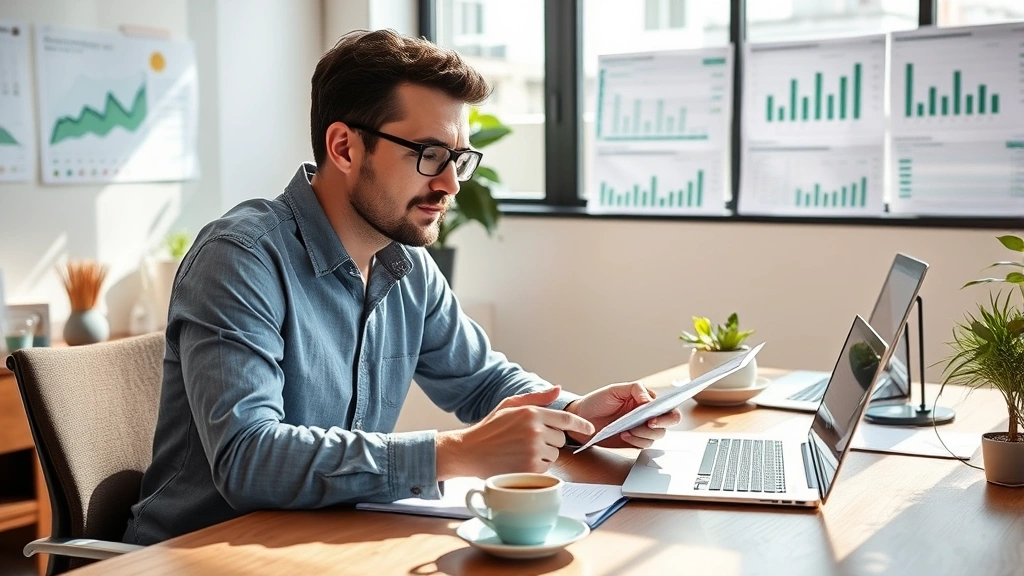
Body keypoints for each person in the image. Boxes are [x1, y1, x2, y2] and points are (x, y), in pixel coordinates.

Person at [124, 29, 681, 545]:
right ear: (344, 148)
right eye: (430, 155)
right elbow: (248, 458)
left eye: (458, 158)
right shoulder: (242, 258)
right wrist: (453, 453)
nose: (451, 184)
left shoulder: (405, 266)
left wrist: (578, 415)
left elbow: (483, 381)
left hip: (331, 544)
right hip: (199, 554)